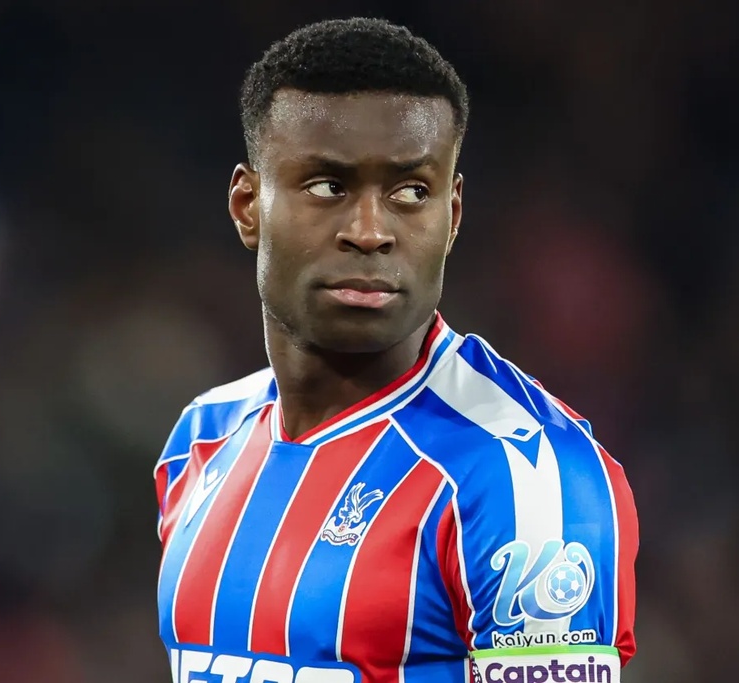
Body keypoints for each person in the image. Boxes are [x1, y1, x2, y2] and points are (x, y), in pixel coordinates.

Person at [154, 17, 638, 683]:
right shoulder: (202, 440)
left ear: (452, 216)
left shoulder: (524, 479)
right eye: (328, 186)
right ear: (247, 206)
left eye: (411, 192)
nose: (370, 231)